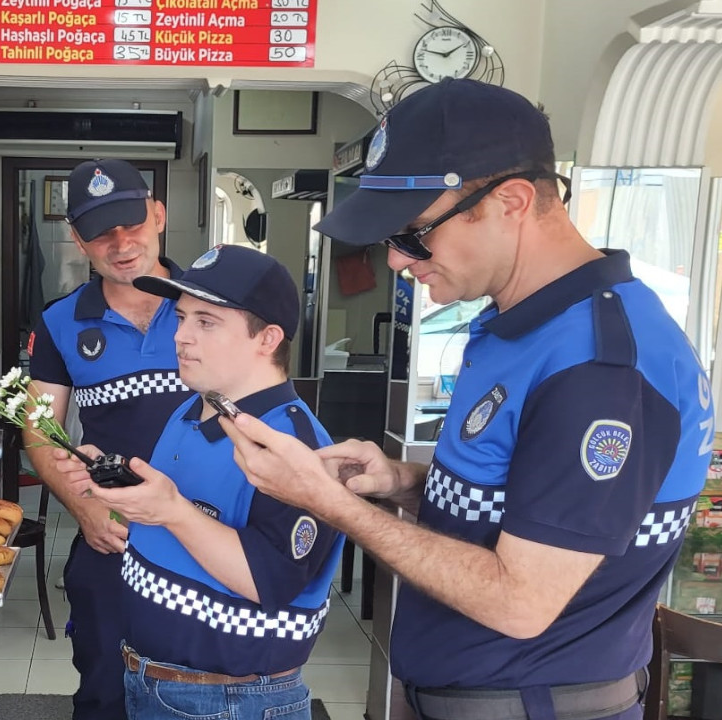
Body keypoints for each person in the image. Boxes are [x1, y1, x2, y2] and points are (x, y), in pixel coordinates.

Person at [220, 78, 714, 720]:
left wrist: (327, 502)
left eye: (415, 234)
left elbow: (520, 600)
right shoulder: (524, 327)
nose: (398, 262)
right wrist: (398, 481)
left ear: (509, 201)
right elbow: (526, 508)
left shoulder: (600, 367)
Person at [52, 244, 344, 720]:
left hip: (230, 699)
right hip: (150, 677)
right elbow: (177, 516)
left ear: (267, 338)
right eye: (182, 317)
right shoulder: (192, 408)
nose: (181, 337)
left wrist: (172, 510)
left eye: (206, 323)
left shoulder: (293, 446)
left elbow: (268, 580)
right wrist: (116, 479)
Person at [24, 158, 193, 720]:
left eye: (133, 223)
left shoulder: (216, 303)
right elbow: (42, 428)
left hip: (215, 533)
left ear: (159, 215)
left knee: (207, 689)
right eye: (101, 232)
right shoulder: (60, 321)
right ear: (78, 240)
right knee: (105, 689)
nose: (121, 244)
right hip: (114, 537)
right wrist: (83, 508)